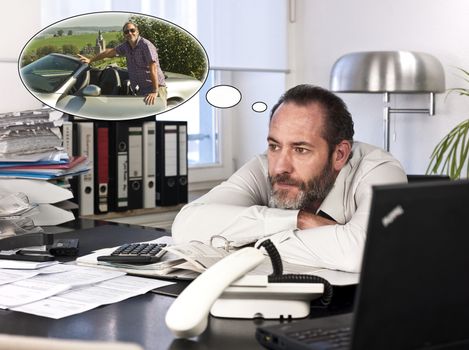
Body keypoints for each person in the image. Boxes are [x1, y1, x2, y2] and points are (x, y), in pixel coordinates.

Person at [172, 84, 407, 273]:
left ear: (339, 154)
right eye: (275, 145)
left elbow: (362, 252)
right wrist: (299, 220)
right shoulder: (265, 165)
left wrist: (248, 240)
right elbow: (186, 225)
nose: (281, 166)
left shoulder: (380, 169)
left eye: (300, 149)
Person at [77, 22, 166, 106]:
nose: (130, 33)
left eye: (132, 30)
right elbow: (109, 52)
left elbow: (153, 67)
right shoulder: (126, 46)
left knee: (157, 117)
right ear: (124, 35)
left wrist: (155, 91)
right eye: (126, 32)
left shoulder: (146, 45)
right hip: (142, 89)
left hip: (155, 88)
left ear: (137, 31)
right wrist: (90, 60)